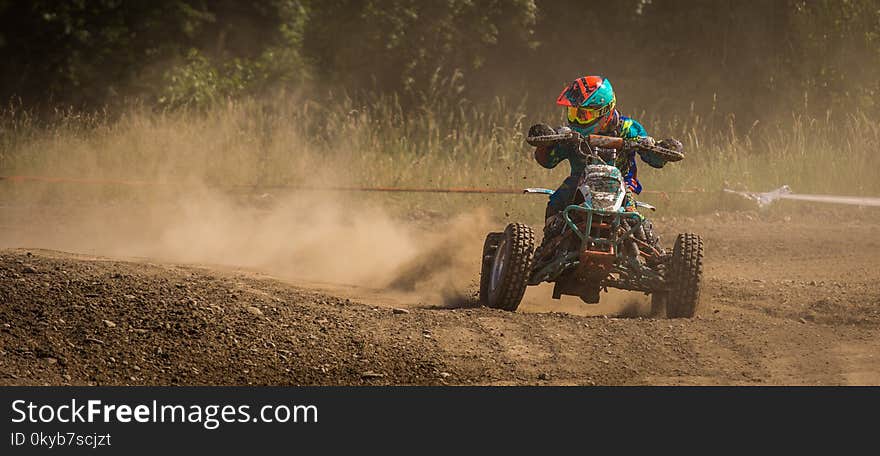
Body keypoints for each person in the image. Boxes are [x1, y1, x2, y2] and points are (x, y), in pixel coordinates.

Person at [530, 75, 683, 253]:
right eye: (573, 113)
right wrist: (545, 145)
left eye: (583, 114)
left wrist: (660, 150)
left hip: (621, 185)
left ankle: (657, 259)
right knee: (557, 202)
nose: (577, 121)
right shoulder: (571, 134)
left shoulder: (628, 129)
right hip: (580, 183)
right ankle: (547, 248)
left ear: (605, 111)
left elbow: (653, 158)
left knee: (634, 219)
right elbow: (548, 161)